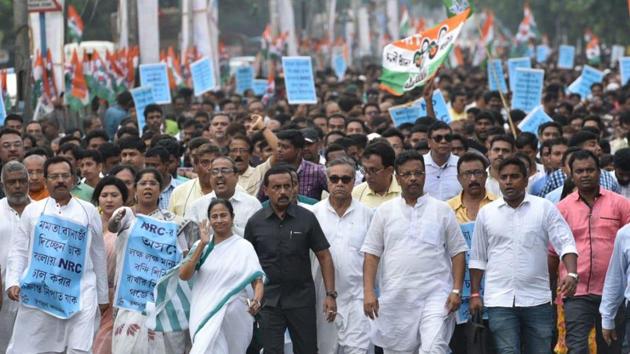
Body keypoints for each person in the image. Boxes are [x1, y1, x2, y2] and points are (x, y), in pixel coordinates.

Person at [361, 150, 467, 354]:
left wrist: (456, 290)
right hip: (396, 297)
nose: (413, 178)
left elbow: (458, 252)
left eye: (418, 173)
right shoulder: (384, 211)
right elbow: (372, 254)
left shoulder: (442, 210)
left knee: (434, 347)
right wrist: (368, 292)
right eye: (407, 174)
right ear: (397, 178)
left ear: (425, 175)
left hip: (436, 295)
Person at [469, 157, 578, 353]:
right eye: (503, 177)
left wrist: (571, 273)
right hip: (499, 300)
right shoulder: (487, 213)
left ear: (526, 179)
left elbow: (565, 242)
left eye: (514, 176)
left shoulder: (544, 208)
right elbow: (477, 257)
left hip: (537, 299)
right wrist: (475, 293)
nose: (508, 181)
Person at [5, 156, 108, 354]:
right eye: (54, 176)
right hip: (40, 293)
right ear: (45, 180)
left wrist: (102, 296)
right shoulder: (32, 211)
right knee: (34, 346)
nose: (60, 180)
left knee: (80, 347)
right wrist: (13, 282)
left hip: (81, 293)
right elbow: (18, 251)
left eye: (64, 175)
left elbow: (98, 254)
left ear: (73, 179)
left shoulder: (88, 212)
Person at [245, 165, 337, 354]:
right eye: (277, 188)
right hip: (268, 301)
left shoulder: (307, 218)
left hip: (301, 299)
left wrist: (330, 294)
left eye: (287, 186)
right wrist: (253, 296)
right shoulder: (255, 222)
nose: (283, 192)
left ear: (294, 188)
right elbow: (247, 262)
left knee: (308, 350)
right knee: (271, 351)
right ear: (266, 190)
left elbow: (324, 256)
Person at [108, 168, 196, 354]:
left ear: (160, 189)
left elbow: (185, 255)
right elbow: (113, 226)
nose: (148, 187)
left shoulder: (173, 223)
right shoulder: (127, 217)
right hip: (131, 298)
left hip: (163, 300)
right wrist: (116, 218)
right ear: (135, 189)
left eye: (153, 183)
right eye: (143, 183)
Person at [550, 150, 630, 353]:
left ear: (600, 172)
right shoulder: (561, 209)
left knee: (610, 345)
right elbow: (552, 252)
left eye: (590, 170)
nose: (585, 175)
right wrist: (552, 289)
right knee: (577, 347)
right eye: (579, 171)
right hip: (576, 292)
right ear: (572, 175)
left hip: (613, 291)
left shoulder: (621, 204)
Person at [179, 199, 265, 353]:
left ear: (232, 217)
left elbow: (257, 281)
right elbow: (184, 275)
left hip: (236, 317)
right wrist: (202, 245)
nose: (219, 220)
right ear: (209, 220)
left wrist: (257, 300)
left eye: (223, 215)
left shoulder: (244, 246)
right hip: (205, 313)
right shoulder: (202, 246)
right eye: (214, 216)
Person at [311, 157, 374, 354]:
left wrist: (371, 293)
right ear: (327, 180)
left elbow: (373, 258)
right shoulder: (313, 214)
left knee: (358, 350)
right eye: (334, 178)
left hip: (358, 298)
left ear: (354, 182)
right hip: (321, 298)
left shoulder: (368, 215)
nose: (340, 183)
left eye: (345, 179)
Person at [446, 153, 496, 353]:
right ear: (459, 178)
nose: (473, 179)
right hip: (456, 290)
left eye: (477, 173)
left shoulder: (498, 205)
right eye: (467, 174)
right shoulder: (445, 210)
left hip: (492, 289)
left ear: (485, 175)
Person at [91, 176, 129, 354]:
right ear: (97, 199)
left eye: (114, 195)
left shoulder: (131, 226)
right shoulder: (88, 223)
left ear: (124, 199)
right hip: (90, 293)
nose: (109, 199)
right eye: (104, 195)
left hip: (118, 297)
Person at [186, 156, 262, 234]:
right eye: (214, 172)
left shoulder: (252, 204)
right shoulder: (196, 206)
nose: (219, 175)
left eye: (225, 171)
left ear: (236, 176)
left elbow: (258, 237)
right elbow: (190, 242)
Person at [0, 162, 30, 352]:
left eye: (21, 181)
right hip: (1, 293)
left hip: (33, 293)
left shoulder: (40, 211)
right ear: (3, 185)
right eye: (12, 182)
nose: (17, 186)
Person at [228, 115, 279, 196]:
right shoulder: (222, 176)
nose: (238, 154)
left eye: (243, 150)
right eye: (234, 150)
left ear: (250, 154)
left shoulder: (258, 172)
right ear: (228, 154)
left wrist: (262, 127)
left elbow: (279, 151)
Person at [168, 143, 220, 216]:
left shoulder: (235, 191)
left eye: (214, 162)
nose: (210, 167)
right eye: (205, 163)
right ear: (195, 166)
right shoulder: (179, 192)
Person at [352, 142, 401, 208]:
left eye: (373, 170)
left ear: (390, 170)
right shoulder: (356, 194)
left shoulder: (404, 191)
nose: (367, 176)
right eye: (365, 170)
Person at [423, 121, 461, 201]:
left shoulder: (461, 165)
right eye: (438, 138)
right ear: (429, 142)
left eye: (448, 138)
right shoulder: (419, 165)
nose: (443, 141)